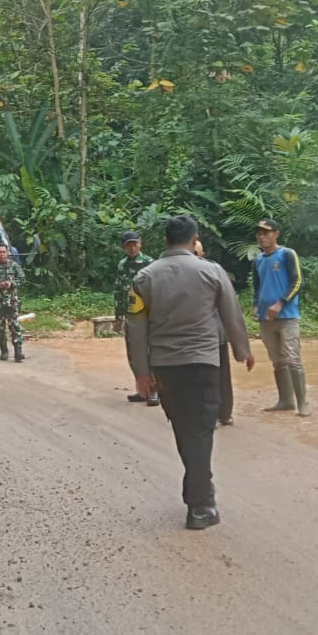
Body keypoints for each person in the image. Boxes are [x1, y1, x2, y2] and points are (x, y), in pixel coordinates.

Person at [131, 214, 255, 530]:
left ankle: (199, 489)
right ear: (194, 238)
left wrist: (141, 373)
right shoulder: (211, 271)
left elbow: (134, 328)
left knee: (185, 428)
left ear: (165, 240)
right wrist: (243, 350)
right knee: (199, 430)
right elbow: (232, 313)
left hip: (165, 367)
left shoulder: (145, 277)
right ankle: (200, 506)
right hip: (202, 363)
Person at [252, 219, 308, 417]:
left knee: (293, 358)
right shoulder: (258, 260)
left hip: (287, 316)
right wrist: (256, 306)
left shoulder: (287, 254)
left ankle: (303, 403)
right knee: (277, 360)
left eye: (266, 232)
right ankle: (285, 400)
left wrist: (280, 303)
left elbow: (297, 281)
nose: (262, 236)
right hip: (266, 319)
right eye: (259, 233)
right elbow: (257, 287)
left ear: (276, 234)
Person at [193, 237, 236, 427]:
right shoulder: (184, 273)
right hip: (194, 335)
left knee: (220, 376)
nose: (193, 257)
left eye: (196, 254)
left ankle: (224, 413)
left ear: (202, 254)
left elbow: (229, 305)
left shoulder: (214, 271)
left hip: (214, 333)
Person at [115, 230, 155, 405]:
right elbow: (119, 292)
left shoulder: (149, 264)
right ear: (123, 247)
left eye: (134, 244)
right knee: (133, 355)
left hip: (148, 315)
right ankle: (142, 390)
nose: (131, 248)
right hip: (131, 316)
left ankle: (153, 391)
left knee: (149, 353)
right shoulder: (122, 265)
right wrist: (118, 317)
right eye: (128, 245)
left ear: (140, 244)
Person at [0, 242, 26, 363]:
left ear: (8, 252)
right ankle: (4, 350)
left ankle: (18, 352)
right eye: (0, 252)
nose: (2, 254)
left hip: (12, 302)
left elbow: (22, 279)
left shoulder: (14, 266)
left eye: (4, 252)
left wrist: (12, 283)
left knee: (15, 326)